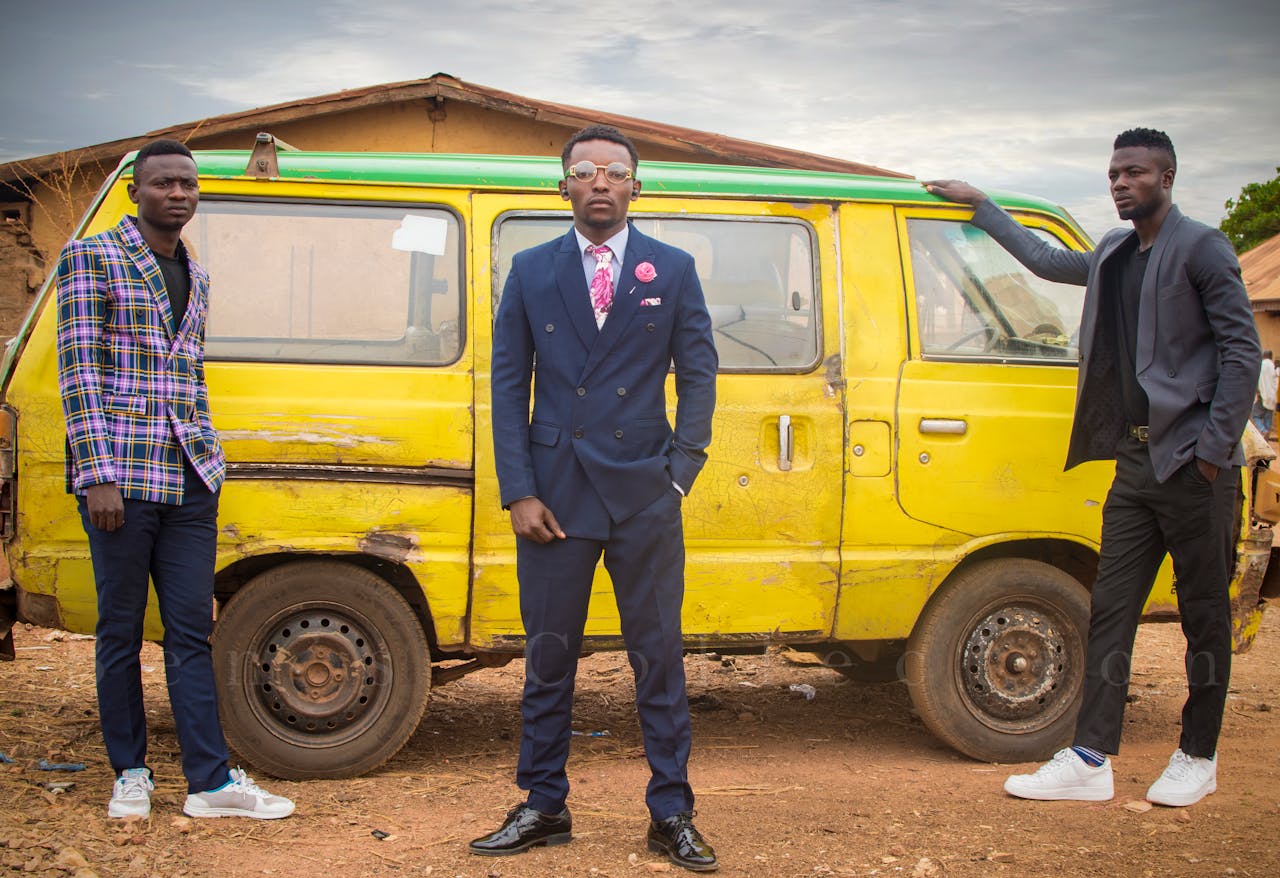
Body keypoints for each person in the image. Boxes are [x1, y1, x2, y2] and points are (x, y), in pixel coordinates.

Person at [925, 127, 1260, 807]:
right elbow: (1047, 260)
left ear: (1166, 178)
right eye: (1113, 174)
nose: (1119, 184)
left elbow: (1242, 353)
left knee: (1203, 616)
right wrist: (981, 205)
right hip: (1136, 462)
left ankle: (1198, 755)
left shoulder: (1202, 247)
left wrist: (1210, 455)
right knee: (1109, 609)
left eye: (1133, 173)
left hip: (1194, 466)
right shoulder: (1113, 249)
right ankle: (1089, 758)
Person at [476, 125, 718, 870]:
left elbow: (700, 373)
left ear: (636, 186)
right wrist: (518, 490)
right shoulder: (532, 270)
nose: (601, 182)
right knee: (550, 658)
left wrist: (680, 471)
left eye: (616, 171)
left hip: (645, 492)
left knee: (659, 658)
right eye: (585, 171)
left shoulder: (671, 269)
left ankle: (670, 812)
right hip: (553, 499)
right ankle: (544, 803)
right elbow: (509, 384)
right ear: (564, 187)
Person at [55, 139, 295, 821]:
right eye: (163, 183)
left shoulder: (196, 270)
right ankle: (130, 771)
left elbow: (186, 373)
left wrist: (210, 462)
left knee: (192, 630)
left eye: (187, 184)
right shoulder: (92, 257)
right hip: (121, 478)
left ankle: (209, 783)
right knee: (120, 631)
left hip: (189, 477)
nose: (178, 194)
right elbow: (79, 371)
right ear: (137, 189)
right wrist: (96, 475)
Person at [1253, 350, 1276, 438]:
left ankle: (1263, 430)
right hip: (1272, 397)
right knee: (1268, 418)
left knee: (1255, 416)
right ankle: (1267, 439)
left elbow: (1258, 379)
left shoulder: (1261, 365)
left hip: (1262, 395)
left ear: (1264, 356)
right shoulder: (1273, 366)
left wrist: (1257, 392)